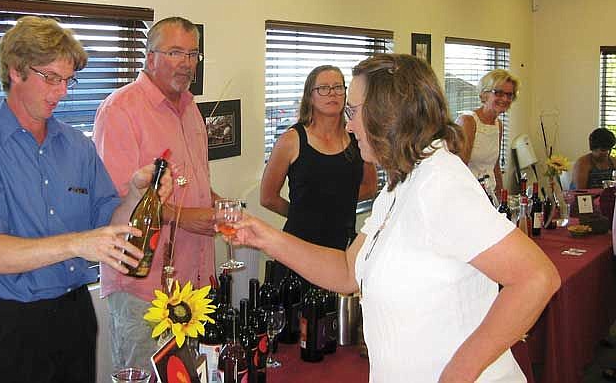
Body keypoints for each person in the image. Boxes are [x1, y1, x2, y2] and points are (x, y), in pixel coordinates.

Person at [231, 53, 560, 382]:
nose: (348, 124)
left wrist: (457, 374)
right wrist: (265, 237)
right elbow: (348, 271)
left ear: (387, 114)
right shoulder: (398, 184)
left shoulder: (439, 183)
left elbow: (536, 278)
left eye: (354, 111)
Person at [0, 16, 171, 383]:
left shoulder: (78, 147)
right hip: (8, 328)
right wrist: (78, 244)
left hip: (73, 319)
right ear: (16, 71)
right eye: (51, 77)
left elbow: (111, 227)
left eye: (68, 80)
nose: (62, 91)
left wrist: (135, 194)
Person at [93, 16, 217, 370]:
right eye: (175, 52)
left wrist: (216, 200)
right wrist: (188, 219)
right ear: (150, 57)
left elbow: (192, 182)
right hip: (142, 285)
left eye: (192, 54)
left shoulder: (192, 109)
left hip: (191, 283)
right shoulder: (119, 111)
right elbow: (118, 202)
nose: (187, 63)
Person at [260, 65, 377, 284]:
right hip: (298, 248)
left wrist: (335, 204)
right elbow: (267, 197)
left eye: (338, 87)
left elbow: (370, 187)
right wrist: (301, 213)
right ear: (310, 96)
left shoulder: (357, 138)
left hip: (343, 249)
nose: (332, 93)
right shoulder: (292, 140)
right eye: (323, 88)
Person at [456, 69, 520, 199]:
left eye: (509, 95)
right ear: (484, 94)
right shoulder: (468, 121)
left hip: (489, 195)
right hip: (469, 194)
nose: (505, 99)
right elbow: (459, 168)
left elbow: (494, 167)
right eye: (499, 93)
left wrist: (502, 199)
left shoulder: (498, 125)